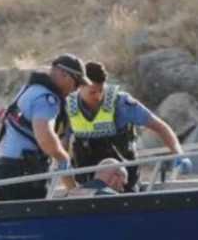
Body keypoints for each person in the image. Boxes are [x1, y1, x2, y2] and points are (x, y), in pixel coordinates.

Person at [66, 61, 191, 191]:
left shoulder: (121, 103)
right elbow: (60, 152)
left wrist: (179, 155)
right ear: (80, 87)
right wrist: (72, 189)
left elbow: (161, 127)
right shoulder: (69, 107)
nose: (98, 96)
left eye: (101, 90)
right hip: (88, 181)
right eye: (93, 92)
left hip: (124, 180)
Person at [0, 54, 90, 201]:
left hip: (3, 172)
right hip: (23, 176)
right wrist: (63, 158)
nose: (75, 90)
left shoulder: (30, 90)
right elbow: (45, 138)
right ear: (65, 75)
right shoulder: (47, 99)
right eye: (76, 84)